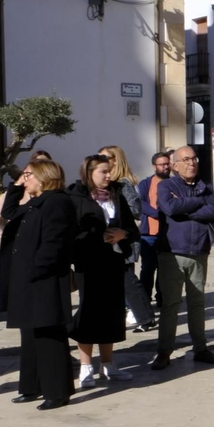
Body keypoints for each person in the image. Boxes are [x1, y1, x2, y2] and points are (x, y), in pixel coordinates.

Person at [1, 160, 76, 410]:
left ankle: (57, 391)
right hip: (28, 278)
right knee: (31, 334)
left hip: (43, 279)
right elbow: (9, 213)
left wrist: (36, 269)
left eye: (28, 175)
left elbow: (54, 242)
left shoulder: (56, 202)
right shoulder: (38, 201)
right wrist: (16, 187)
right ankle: (32, 386)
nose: (25, 179)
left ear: (43, 177)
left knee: (49, 334)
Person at [152, 146, 214, 370]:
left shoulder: (205, 187)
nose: (191, 163)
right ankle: (164, 351)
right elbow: (169, 207)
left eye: (194, 159)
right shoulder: (166, 186)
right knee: (171, 304)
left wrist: (186, 207)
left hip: (199, 252)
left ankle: (200, 348)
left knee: (197, 303)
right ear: (175, 165)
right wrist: (199, 202)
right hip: (172, 253)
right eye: (185, 160)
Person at [66, 155, 137, 386]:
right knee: (89, 312)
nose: (108, 176)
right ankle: (85, 365)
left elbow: (131, 228)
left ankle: (108, 363)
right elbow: (70, 231)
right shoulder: (76, 197)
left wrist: (123, 234)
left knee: (112, 313)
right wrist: (94, 238)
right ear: (89, 173)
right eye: (103, 172)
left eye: (109, 171)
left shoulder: (117, 195)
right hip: (88, 263)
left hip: (113, 261)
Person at [99, 145, 155, 333]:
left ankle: (144, 316)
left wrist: (116, 220)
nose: (101, 161)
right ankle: (134, 314)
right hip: (114, 241)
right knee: (120, 281)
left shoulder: (123, 184)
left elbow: (136, 210)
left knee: (128, 280)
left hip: (125, 240)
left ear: (116, 161)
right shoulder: (109, 185)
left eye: (105, 158)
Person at [135, 150, 174, 321]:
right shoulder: (145, 184)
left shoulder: (174, 183)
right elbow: (141, 203)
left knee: (165, 269)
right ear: (154, 166)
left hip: (168, 234)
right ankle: (144, 301)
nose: (165, 167)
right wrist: (158, 213)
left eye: (167, 164)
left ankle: (162, 298)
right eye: (161, 164)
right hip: (149, 234)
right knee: (147, 269)